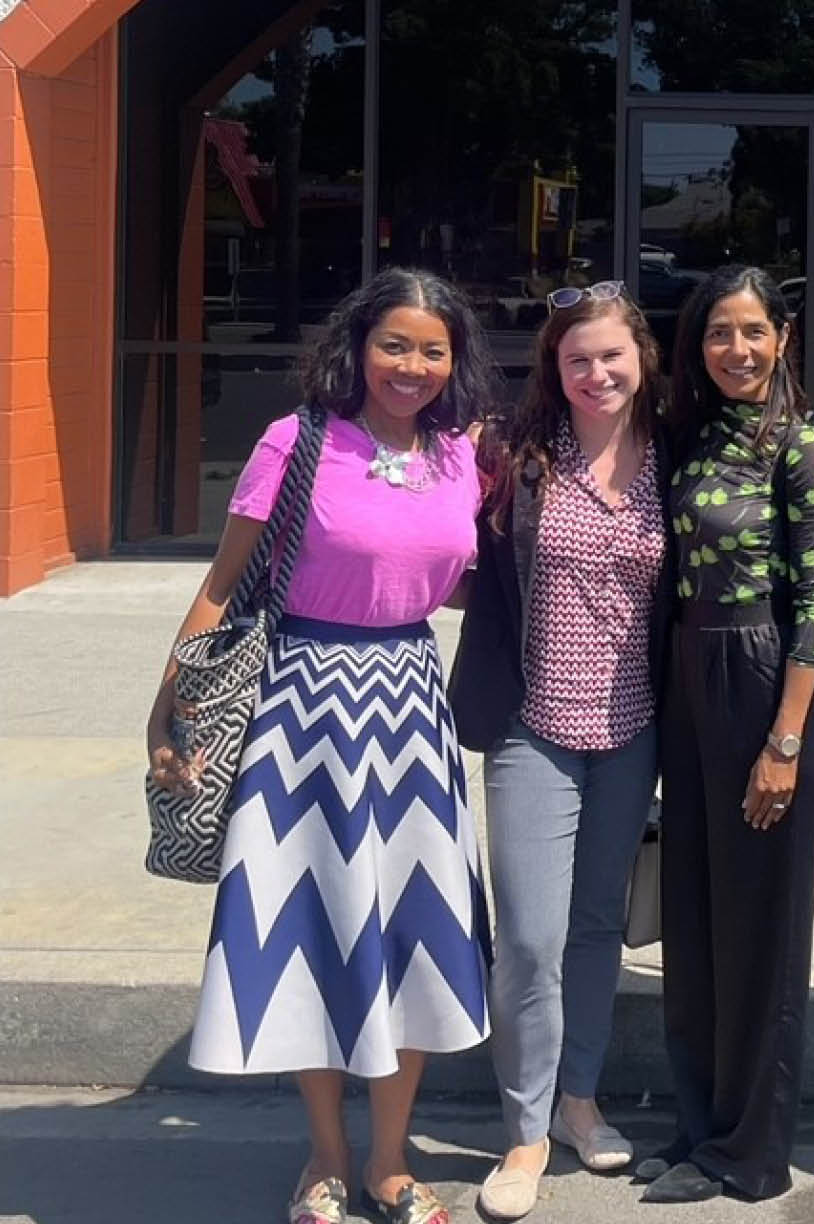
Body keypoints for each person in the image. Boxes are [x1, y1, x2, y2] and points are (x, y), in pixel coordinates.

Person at [146, 267, 500, 1224]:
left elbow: (451, 577)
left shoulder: (459, 455)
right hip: (299, 706)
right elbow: (224, 586)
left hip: (413, 706)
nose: (413, 366)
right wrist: (165, 708)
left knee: (411, 933)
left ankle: (390, 1160)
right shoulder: (295, 442)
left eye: (434, 350)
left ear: (454, 361)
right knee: (308, 927)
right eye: (395, 344)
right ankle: (325, 1157)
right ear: (358, 346)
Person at [448, 281, 672, 1220]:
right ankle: (526, 1129)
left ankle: (579, 1102)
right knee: (530, 938)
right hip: (532, 726)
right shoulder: (511, 456)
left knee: (593, 930)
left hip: (634, 730)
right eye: (577, 358)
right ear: (555, 367)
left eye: (611, 355)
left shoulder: (674, 455)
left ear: (641, 359)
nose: (596, 372)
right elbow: (446, 549)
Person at [644, 265, 814, 1204]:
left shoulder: (801, 445)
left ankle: (750, 1151)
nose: (738, 350)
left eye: (753, 332)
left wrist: (786, 742)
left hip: (764, 679)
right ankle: (697, 1123)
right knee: (695, 908)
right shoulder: (680, 435)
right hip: (686, 677)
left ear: (783, 339)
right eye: (720, 333)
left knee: (759, 921)